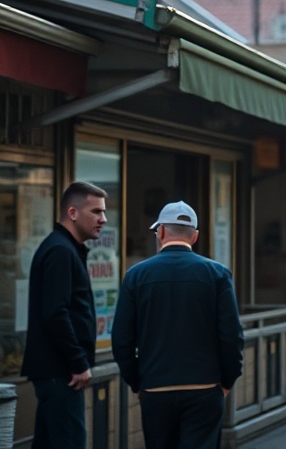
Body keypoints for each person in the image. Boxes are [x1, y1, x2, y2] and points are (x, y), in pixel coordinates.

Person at [112, 201, 244, 449]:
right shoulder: (217, 274)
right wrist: (227, 380)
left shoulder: (136, 275)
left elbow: (121, 340)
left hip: (155, 388)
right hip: (205, 387)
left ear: (160, 232)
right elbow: (231, 336)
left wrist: (137, 381)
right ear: (194, 236)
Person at [22, 181, 108, 449]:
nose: (103, 219)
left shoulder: (65, 248)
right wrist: (78, 362)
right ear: (72, 213)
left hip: (56, 372)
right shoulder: (60, 250)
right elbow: (55, 313)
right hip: (61, 374)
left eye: (103, 212)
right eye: (95, 212)